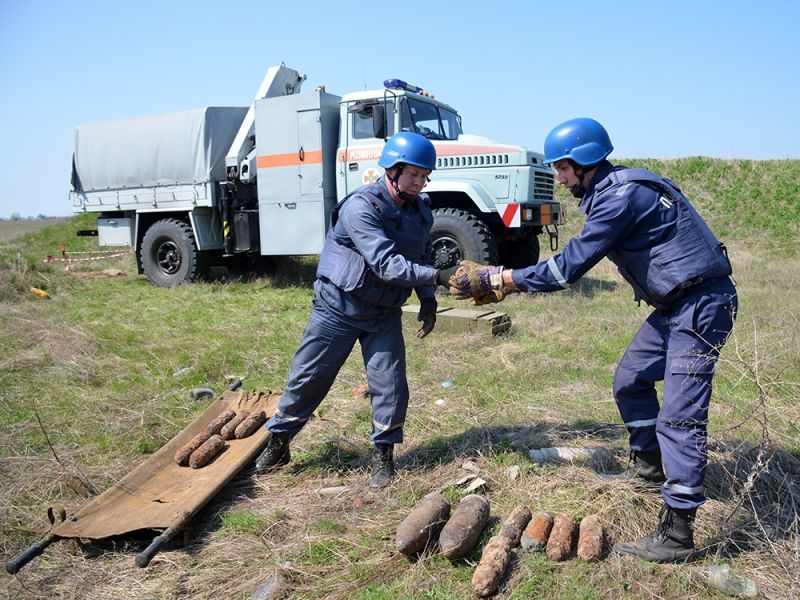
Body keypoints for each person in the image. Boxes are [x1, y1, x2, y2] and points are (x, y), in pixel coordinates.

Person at [449, 118, 738, 562]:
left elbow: (567, 268)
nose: (560, 179)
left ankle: (678, 533)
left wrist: (501, 278)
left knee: (680, 418)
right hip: (678, 304)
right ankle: (649, 469)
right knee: (630, 380)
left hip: (700, 305)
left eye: (563, 169)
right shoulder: (620, 188)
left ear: (584, 162)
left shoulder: (620, 198)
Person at [255, 132, 457, 489]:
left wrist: (428, 297)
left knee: (390, 384)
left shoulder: (420, 210)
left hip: (384, 313)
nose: (419, 182)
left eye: (425, 176)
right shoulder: (361, 207)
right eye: (413, 174)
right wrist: (439, 277)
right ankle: (279, 441)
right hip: (338, 308)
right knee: (309, 377)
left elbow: (422, 254)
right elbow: (387, 264)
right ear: (392, 169)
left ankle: (383, 455)